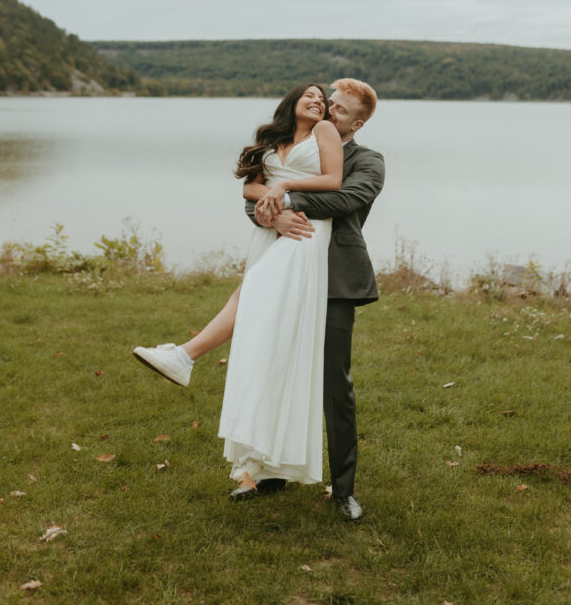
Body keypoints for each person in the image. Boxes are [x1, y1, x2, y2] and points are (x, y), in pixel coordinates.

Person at [134, 78, 384, 521]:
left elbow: (348, 198)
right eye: (327, 103)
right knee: (273, 366)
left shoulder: (368, 160)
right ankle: (270, 472)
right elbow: (255, 201)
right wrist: (272, 212)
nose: (328, 111)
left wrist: (285, 199)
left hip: (333, 280)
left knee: (333, 386)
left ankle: (343, 490)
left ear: (358, 121)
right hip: (288, 254)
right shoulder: (295, 140)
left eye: (339, 110)